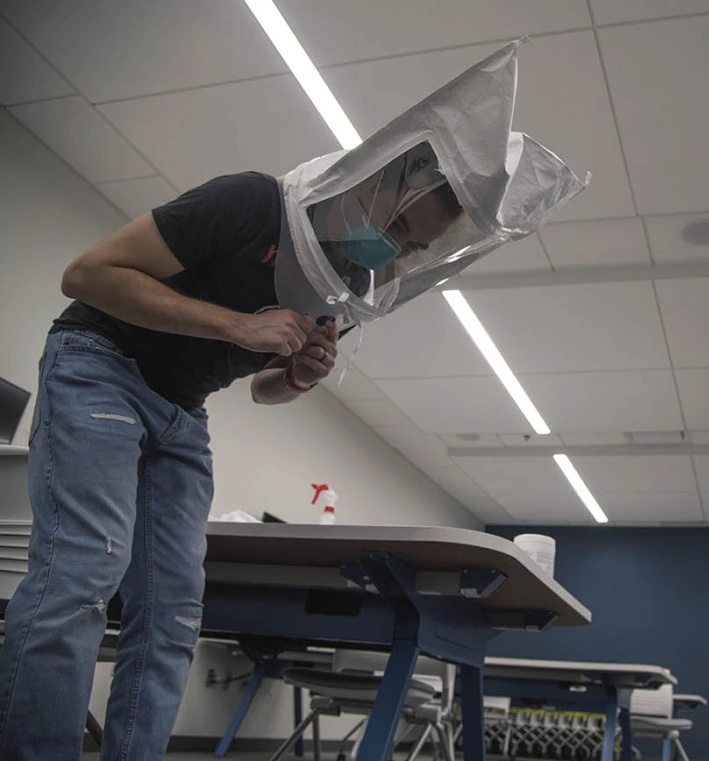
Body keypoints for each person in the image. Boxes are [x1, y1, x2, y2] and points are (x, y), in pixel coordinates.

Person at [0, 152, 463, 758]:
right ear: (374, 178)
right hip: (101, 363)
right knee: (85, 571)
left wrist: (298, 376)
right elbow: (87, 276)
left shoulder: (345, 284)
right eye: (399, 227)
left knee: (172, 612)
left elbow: (263, 388)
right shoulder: (255, 203)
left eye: (411, 247)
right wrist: (236, 325)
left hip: (182, 410)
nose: (395, 250)